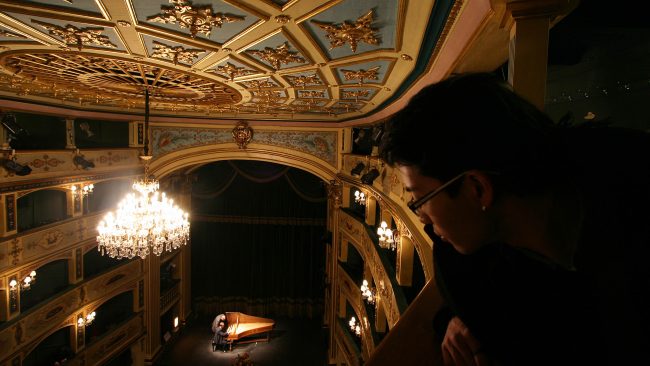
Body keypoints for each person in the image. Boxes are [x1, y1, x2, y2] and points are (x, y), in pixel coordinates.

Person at [377, 72, 649, 365]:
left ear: (478, 189)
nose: (423, 220)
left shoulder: (634, 198)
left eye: (419, 199)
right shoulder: (465, 263)